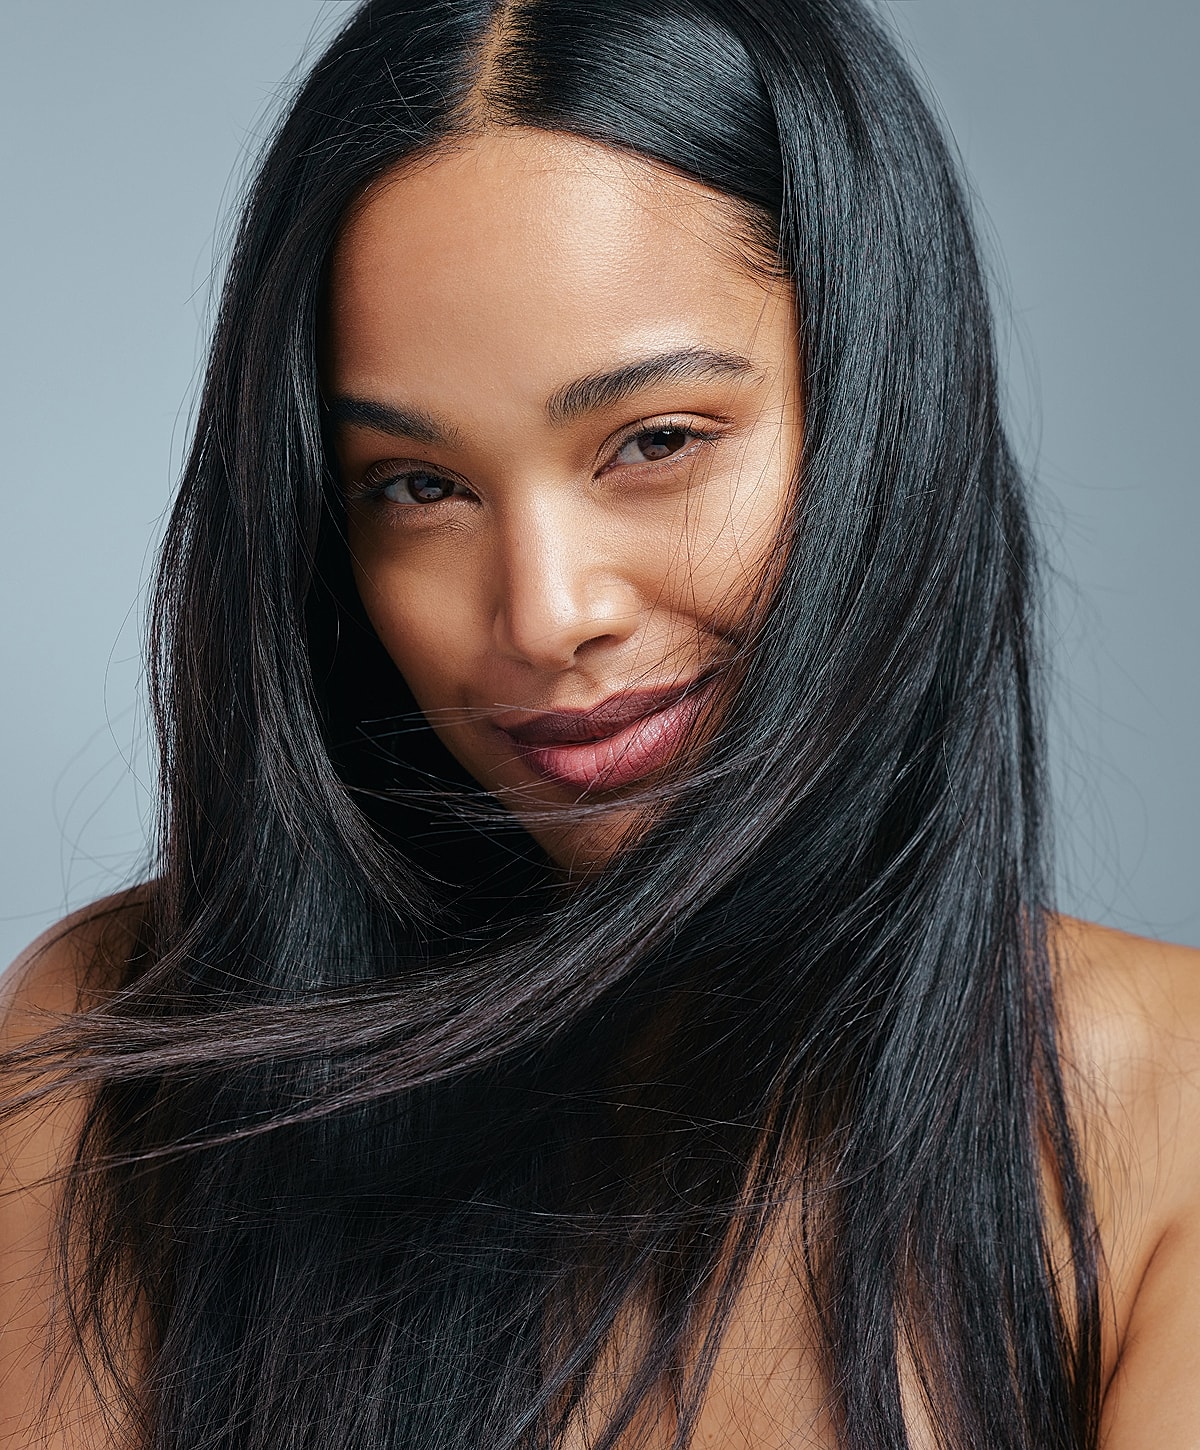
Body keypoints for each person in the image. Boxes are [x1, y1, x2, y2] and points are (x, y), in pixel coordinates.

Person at [1, 1, 1198, 1446]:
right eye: (417, 485)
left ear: (886, 399)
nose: (543, 613)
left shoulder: (1164, 1120)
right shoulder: (133, 1062)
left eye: (654, 443)